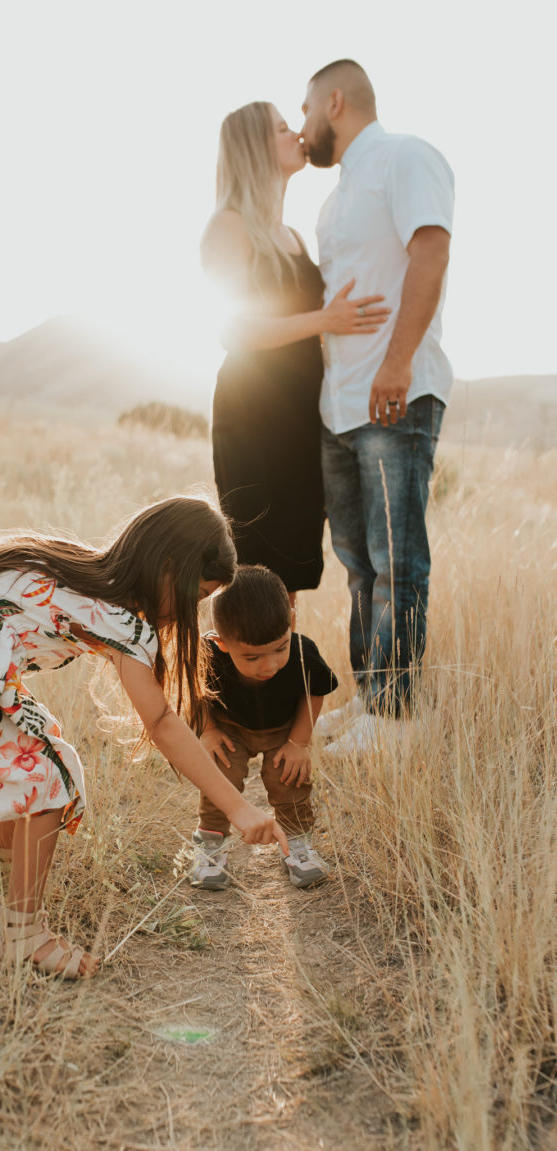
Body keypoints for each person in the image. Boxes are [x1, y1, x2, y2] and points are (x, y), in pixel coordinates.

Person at [0, 497, 290, 980]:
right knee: (48, 774)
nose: (191, 613)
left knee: (35, 758)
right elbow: (163, 723)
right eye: (197, 596)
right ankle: (21, 932)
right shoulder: (121, 620)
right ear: (167, 568)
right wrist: (237, 807)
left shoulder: (77, 564)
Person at [300, 60, 454, 753]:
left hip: (395, 393)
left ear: (334, 101)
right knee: (358, 559)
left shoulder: (404, 157)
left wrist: (395, 362)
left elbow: (431, 249)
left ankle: (397, 716)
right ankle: (370, 696)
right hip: (340, 406)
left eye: (306, 112)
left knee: (398, 559)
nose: (303, 129)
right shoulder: (334, 201)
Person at [201, 100, 390, 602]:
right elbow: (234, 330)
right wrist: (324, 321)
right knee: (256, 569)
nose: (296, 136)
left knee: (294, 570)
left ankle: (287, 681)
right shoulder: (229, 225)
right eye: (283, 129)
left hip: (304, 416)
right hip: (254, 415)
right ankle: (240, 677)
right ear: (254, 150)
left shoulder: (291, 236)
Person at [189, 565, 338, 890]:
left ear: (291, 622)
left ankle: (297, 845)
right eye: (253, 657)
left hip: (282, 732)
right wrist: (208, 730)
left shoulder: (301, 651)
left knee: (290, 780)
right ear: (222, 642)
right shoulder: (207, 654)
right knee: (219, 776)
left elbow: (316, 691)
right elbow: (195, 693)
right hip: (229, 729)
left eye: (279, 648)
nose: (269, 664)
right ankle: (210, 846)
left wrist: (299, 743)